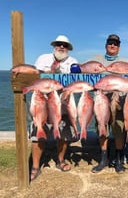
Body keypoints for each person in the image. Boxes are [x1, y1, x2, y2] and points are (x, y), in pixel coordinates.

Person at [30, 35, 78, 181]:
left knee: (64, 132)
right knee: (38, 132)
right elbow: (34, 78)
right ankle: (36, 166)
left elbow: (76, 79)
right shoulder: (42, 59)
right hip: (42, 102)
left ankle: (60, 160)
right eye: (59, 44)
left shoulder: (73, 62)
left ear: (68, 48)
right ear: (54, 46)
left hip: (63, 103)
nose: (61, 47)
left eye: (64, 45)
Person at [89, 34, 128, 173]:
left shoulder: (125, 61)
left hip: (118, 100)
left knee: (119, 129)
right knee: (102, 128)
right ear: (106, 45)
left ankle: (119, 160)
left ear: (119, 47)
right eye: (110, 42)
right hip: (101, 100)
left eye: (115, 43)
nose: (112, 45)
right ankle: (104, 159)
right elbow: (84, 71)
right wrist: (76, 68)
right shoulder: (96, 59)